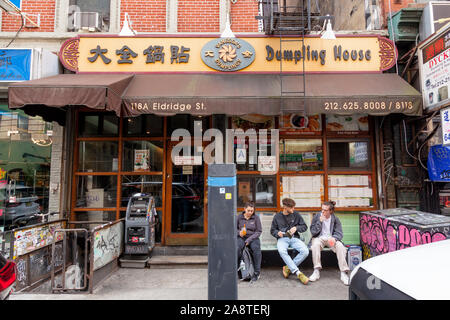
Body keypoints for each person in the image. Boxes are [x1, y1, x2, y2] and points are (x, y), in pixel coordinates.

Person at [309, 201, 350, 285]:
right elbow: (313, 232)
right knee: (315, 245)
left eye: (325, 210)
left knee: (340, 246)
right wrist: (319, 222)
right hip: (319, 238)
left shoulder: (335, 219)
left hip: (331, 239)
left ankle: (343, 273)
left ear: (330, 211)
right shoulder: (317, 216)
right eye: (322, 209)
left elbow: (339, 233)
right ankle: (316, 270)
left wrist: (334, 238)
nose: (322, 211)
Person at [270, 198, 309, 285]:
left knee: (305, 251)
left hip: (294, 238)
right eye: (291, 208)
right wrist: (277, 233)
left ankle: (288, 268)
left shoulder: (296, 214)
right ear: (285, 207)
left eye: (293, 207)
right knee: (281, 251)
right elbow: (272, 230)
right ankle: (298, 273)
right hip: (282, 239)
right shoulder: (277, 217)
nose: (293, 209)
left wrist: (296, 228)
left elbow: (304, 227)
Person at [236, 201, 262, 282]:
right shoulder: (239, 217)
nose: (250, 212)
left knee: (256, 249)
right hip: (241, 237)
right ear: (244, 209)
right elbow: (233, 229)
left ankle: (257, 273)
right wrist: (239, 233)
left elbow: (259, 231)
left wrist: (249, 240)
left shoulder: (256, 218)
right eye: (248, 211)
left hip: (253, 238)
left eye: (252, 211)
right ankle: (237, 270)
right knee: (237, 248)